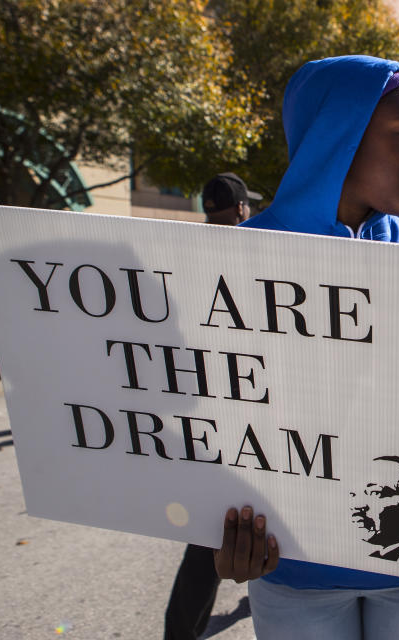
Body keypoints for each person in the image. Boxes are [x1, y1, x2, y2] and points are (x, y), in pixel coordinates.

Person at [213, 55, 399, 640]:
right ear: (337, 135)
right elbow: (200, 420)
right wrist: (214, 537)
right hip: (291, 572)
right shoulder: (234, 260)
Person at [163, 171, 256, 640]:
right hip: (256, 418)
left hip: (203, 423)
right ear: (241, 208)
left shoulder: (183, 255)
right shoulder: (260, 250)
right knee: (263, 528)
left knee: (205, 542)